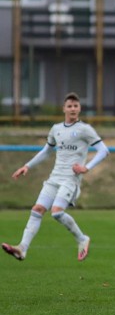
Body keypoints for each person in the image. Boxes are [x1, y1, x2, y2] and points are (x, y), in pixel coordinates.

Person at [2, 92, 109, 262]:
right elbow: (46, 151)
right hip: (54, 178)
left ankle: (82, 239)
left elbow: (104, 151)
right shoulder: (56, 129)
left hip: (70, 180)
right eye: (69, 106)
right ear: (64, 109)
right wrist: (27, 166)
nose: (73, 109)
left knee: (57, 213)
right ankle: (22, 249)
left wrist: (86, 167)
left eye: (76, 106)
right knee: (37, 210)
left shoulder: (85, 130)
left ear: (79, 108)